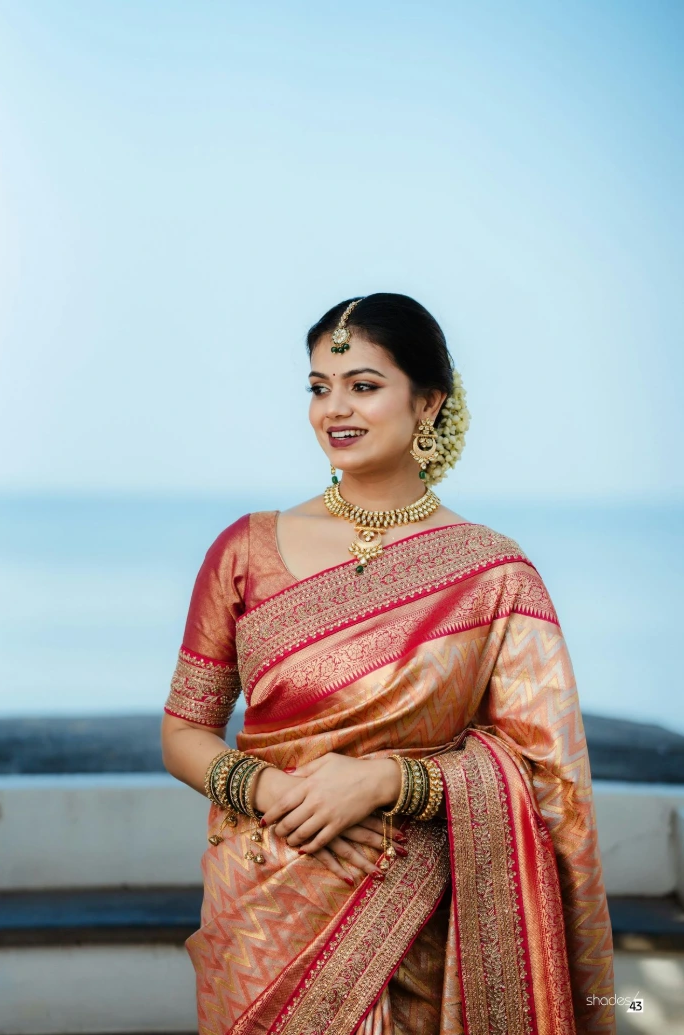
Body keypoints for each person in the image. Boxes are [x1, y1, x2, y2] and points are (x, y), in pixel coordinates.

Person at [161, 293, 616, 1035]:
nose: (333, 408)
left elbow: (546, 777)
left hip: (425, 925)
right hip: (264, 912)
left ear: (428, 401)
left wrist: (384, 780)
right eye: (319, 386)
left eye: (363, 385)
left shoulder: (495, 576)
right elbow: (183, 731)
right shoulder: (243, 550)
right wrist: (276, 791)